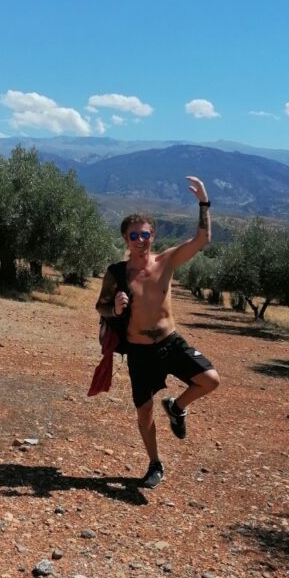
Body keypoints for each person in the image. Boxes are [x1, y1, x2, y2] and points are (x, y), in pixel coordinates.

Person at [95, 176, 220, 489]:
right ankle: (154, 464)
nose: (140, 239)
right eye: (134, 235)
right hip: (139, 351)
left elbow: (202, 239)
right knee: (144, 409)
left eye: (145, 234)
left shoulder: (167, 261)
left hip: (170, 343)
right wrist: (117, 309)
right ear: (126, 239)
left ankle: (177, 407)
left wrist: (204, 201)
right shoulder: (117, 273)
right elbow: (101, 307)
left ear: (153, 235)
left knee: (210, 380)